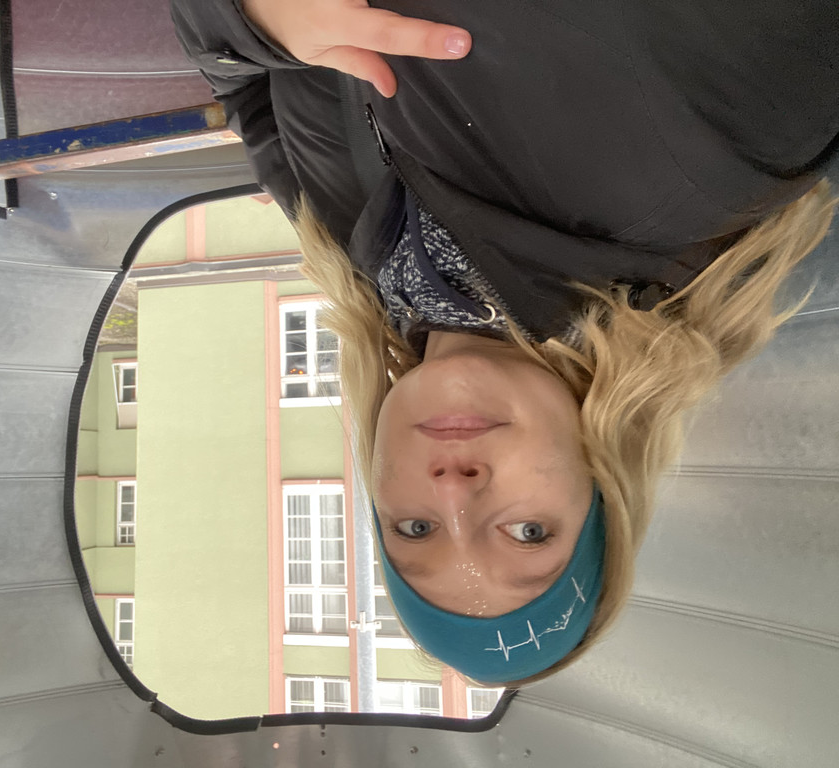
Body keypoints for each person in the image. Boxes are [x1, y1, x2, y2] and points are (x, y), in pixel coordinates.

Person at [171, 0, 839, 685]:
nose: (453, 492)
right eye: (528, 534)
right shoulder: (718, 146)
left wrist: (257, 21)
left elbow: (240, 84)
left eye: (416, 530)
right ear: (603, 488)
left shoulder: (358, 253)